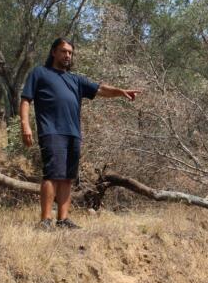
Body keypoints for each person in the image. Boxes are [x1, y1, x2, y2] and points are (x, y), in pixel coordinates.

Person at [20, 37, 141, 230]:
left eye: (70, 52)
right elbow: (26, 100)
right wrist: (25, 125)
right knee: (52, 174)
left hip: (73, 134)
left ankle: (63, 219)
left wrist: (121, 91)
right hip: (51, 131)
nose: (67, 55)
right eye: (63, 51)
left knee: (68, 177)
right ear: (53, 52)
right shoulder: (40, 73)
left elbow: (100, 89)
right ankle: (45, 221)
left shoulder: (75, 79)